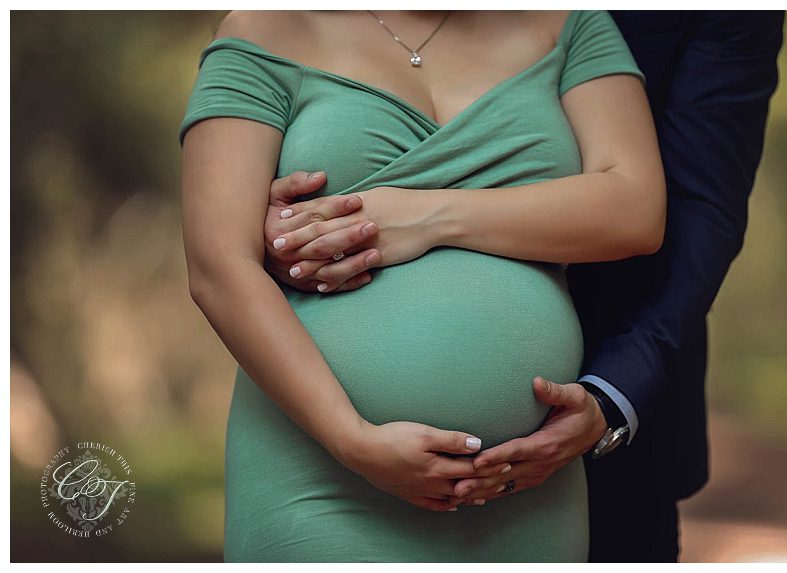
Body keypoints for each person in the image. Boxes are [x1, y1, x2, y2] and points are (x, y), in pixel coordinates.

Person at [262, 11, 785, 562]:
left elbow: (700, 208)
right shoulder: (278, 27)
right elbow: (235, 203)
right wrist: (278, 233)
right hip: (321, 454)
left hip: (599, 416)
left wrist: (613, 393)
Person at [179, 9, 663, 562]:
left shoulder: (567, 22)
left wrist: (428, 217)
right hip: (324, 477)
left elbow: (636, 210)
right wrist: (353, 440)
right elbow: (219, 265)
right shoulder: (267, 29)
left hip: (526, 488)